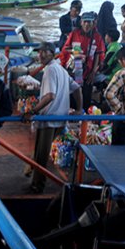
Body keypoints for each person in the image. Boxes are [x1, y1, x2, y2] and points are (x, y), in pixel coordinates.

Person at [25, 42, 82, 193]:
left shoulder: (50, 69)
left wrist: (33, 111)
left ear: (52, 53)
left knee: (41, 155)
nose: (41, 55)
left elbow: (50, 95)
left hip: (49, 118)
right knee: (41, 151)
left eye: (45, 52)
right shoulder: (61, 69)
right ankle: (31, 168)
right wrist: (79, 109)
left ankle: (38, 185)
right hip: (60, 118)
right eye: (40, 52)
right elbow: (77, 88)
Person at [60, 11, 105, 109]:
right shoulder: (74, 33)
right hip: (73, 70)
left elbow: (98, 54)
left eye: (89, 22)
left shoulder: (97, 36)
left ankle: (84, 119)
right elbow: (66, 48)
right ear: (81, 23)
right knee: (72, 95)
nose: (87, 24)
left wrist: (93, 72)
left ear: (93, 23)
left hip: (88, 70)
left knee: (86, 96)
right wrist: (77, 53)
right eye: (85, 22)